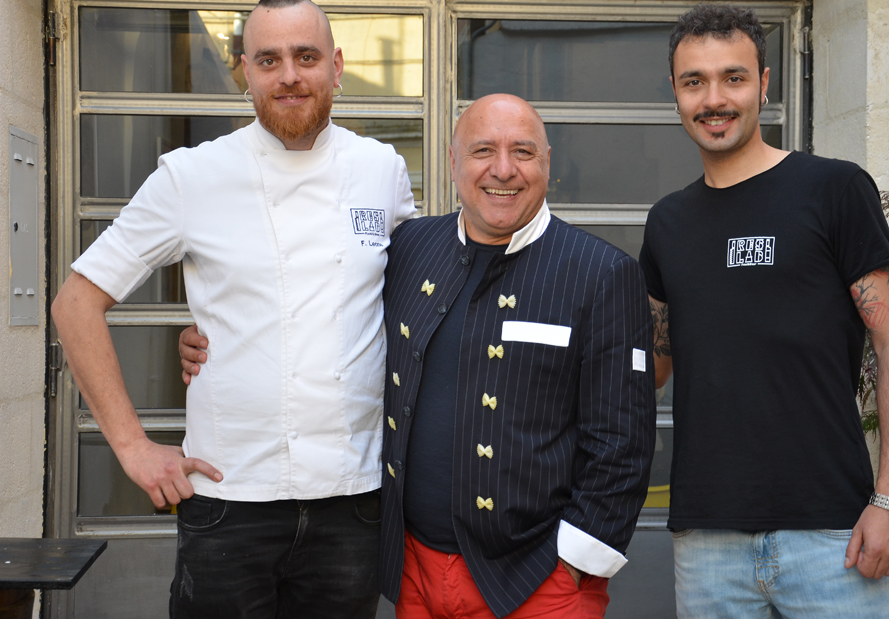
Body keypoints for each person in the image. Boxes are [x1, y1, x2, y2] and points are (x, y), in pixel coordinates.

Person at [183, 94, 656, 617]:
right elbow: (329, 318)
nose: (503, 169)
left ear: (547, 163)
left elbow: (622, 438)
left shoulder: (602, 273)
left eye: (522, 152)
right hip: (415, 570)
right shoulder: (409, 247)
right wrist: (217, 337)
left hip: (538, 580)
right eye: (482, 151)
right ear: (453, 163)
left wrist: (576, 560)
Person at [51, 0, 415, 619]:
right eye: (269, 60)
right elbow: (75, 303)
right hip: (229, 500)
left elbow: (404, 298)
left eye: (306, 56)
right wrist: (134, 447)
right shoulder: (191, 176)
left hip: (354, 501)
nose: (290, 75)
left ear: (336, 64)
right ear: (244, 72)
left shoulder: (381, 168)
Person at [637, 4, 889, 617]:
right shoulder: (666, 223)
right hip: (707, 542)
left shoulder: (834, 190)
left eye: (733, 78)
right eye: (695, 82)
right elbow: (649, 367)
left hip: (834, 537)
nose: (714, 98)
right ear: (675, 92)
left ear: (765, 83)